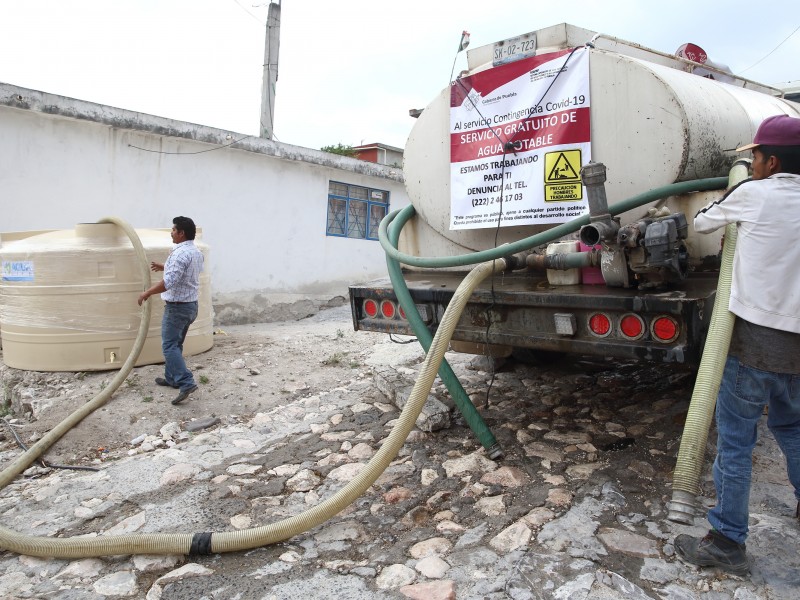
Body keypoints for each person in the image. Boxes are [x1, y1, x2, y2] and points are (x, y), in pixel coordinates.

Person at [674, 114, 800, 575]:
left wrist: (740, 183)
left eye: (756, 157)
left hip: (754, 342)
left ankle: (727, 541)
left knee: (735, 442)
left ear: (772, 161)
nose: (753, 162)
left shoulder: (754, 193)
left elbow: (705, 222)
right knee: (793, 428)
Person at [137, 216, 204, 405]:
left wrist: (147, 293)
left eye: (173, 230)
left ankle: (186, 382)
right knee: (176, 345)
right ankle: (172, 378)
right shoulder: (196, 252)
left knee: (169, 346)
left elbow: (169, 282)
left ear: (181, 233)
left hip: (177, 309)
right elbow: (186, 270)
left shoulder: (179, 254)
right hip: (191, 306)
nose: (171, 233)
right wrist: (165, 266)